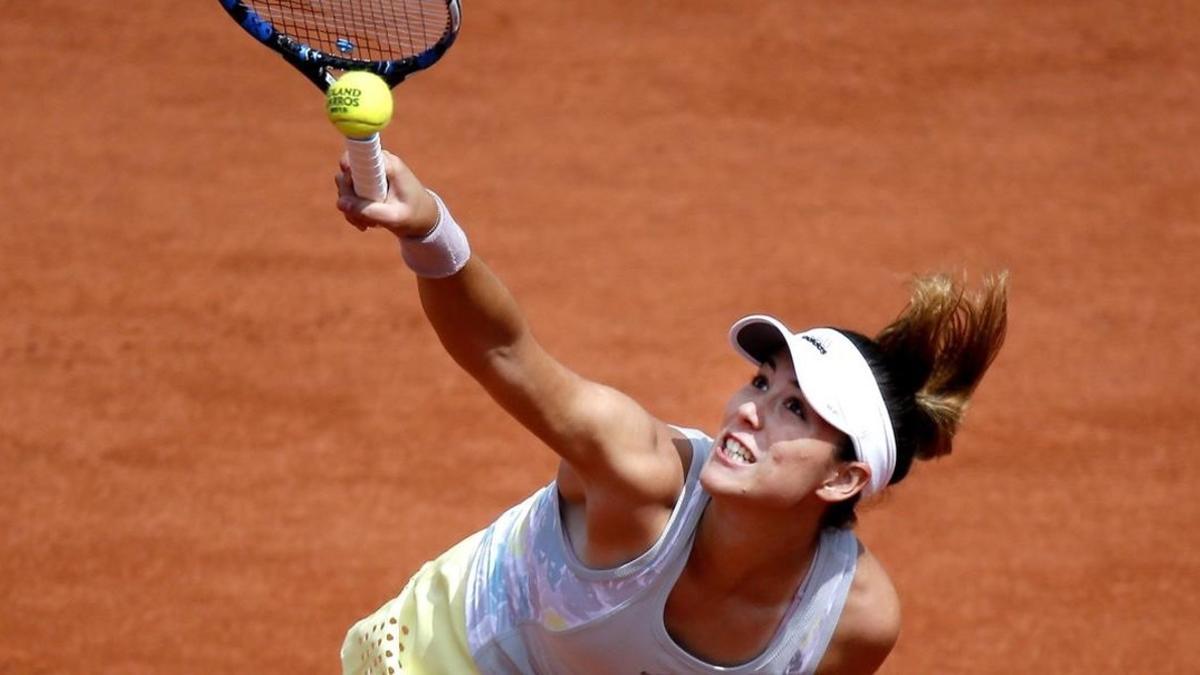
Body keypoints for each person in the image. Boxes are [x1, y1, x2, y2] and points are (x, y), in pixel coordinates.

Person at [333, 151, 1008, 675]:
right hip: (437, 657)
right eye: (759, 382)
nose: (748, 410)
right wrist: (429, 230)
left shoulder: (852, 620)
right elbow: (502, 348)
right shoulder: (636, 471)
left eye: (794, 408)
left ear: (841, 479)